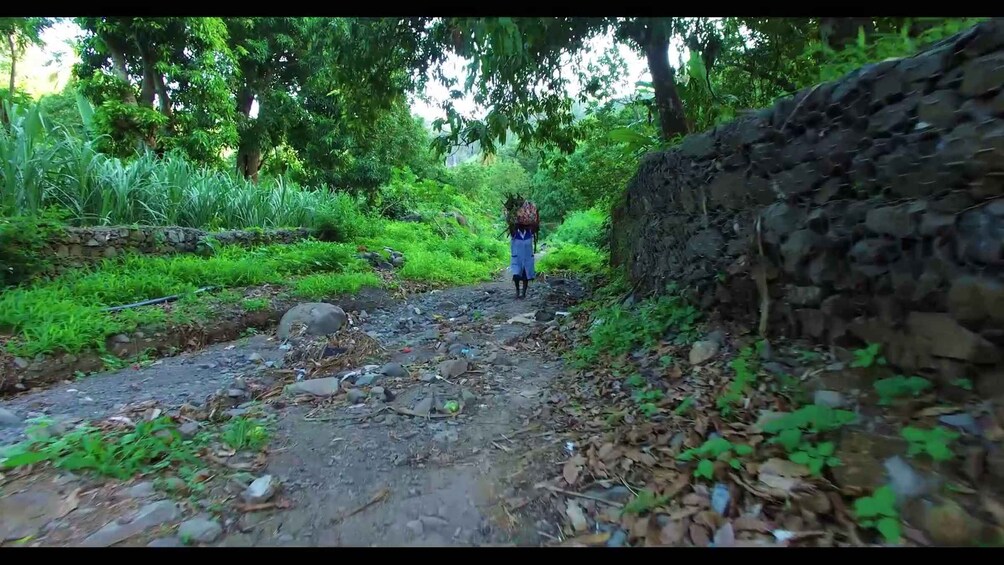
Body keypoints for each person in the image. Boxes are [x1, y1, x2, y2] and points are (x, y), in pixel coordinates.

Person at [509, 222, 536, 299]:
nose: (523, 227)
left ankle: (523, 293)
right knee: (516, 275)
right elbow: (511, 225)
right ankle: (517, 292)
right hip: (517, 258)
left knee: (525, 276)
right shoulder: (514, 234)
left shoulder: (529, 233)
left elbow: (535, 225)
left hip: (527, 258)